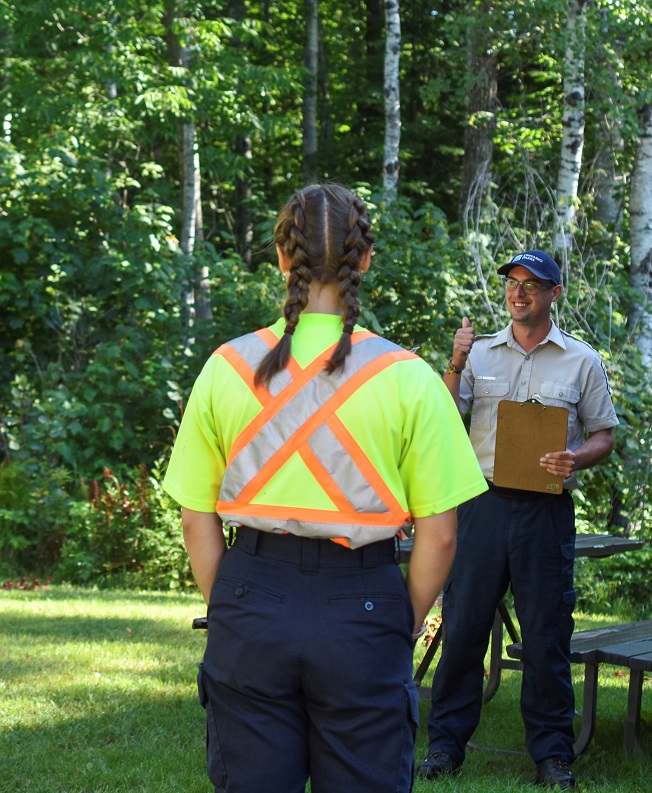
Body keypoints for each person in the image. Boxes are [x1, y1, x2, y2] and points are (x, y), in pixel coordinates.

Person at [163, 183, 487, 793]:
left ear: (283, 259)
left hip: (251, 597)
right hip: (362, 601)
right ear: (364, 260)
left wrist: (232, 600)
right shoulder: (409, 378)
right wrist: (404, 619)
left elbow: (194, 518)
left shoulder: (226, 367)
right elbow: (440, 536)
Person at [416, 250, 619, 789]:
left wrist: (576, 457)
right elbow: (443, 415)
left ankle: (553, 755)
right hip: (480, 505)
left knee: (547, 636)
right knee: (461, 629)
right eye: (513, 282)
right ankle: (444, 748)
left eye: (533, 284)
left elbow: (605, 434)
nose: (519, 292)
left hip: (545, 512)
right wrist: (455, 361)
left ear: (555, 294)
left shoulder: (582, 361)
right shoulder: (478, 354)